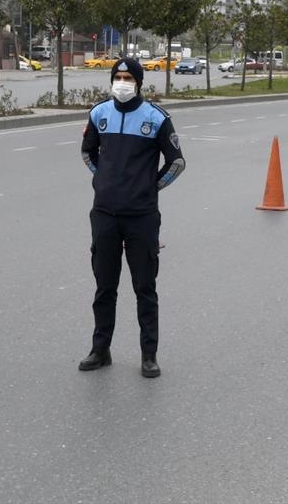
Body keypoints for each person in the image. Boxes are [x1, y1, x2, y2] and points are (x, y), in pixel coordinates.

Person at [79, 57, 185, 378]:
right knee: (104, 287)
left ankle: (149, 355)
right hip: (105, 215)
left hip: (141, 217)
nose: (122, 82)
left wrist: (150, 187)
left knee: (144, 288)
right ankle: (101, 349)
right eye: (118, 76)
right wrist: (106, 181)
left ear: (139, 82)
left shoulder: (156, 118)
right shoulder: (99, 114)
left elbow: (177, 162)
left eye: (128, 77)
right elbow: (88, 153)